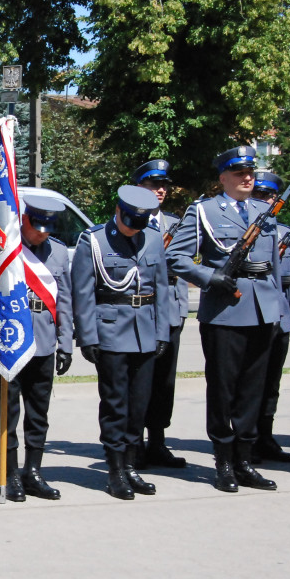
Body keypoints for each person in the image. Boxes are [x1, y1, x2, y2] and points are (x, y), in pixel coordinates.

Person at [167, 146, 282, 493]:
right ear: (223, 179)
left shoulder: (265, 210)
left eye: (250, 172)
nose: (247, 178)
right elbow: (176, 256)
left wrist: (277, 306)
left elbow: (273, 263)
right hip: (225, 310)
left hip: (262, 306)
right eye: (238, 173)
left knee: (253, 389)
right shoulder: (204, 211)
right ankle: (223, 461)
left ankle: (245, 460)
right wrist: (208, 277)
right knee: (223, 389)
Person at [72, 185, 172, 500]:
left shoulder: (153, 239)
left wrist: (162, 332)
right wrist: (87, 335)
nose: (134, 228)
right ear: (118, 211)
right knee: (116, 404)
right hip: (111, 332)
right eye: (130, 221)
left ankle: (131, 466)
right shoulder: (95, 240)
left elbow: (162, 288)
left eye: (140, 223)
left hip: (145, 331)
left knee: (139, 404)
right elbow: (83, 292)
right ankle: (115, 470)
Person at [0, 196, 74, 502]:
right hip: (11, 342)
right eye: (37, 227)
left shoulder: (59, 252)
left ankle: (33, 472)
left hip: (45, 341)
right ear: (24, 220)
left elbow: (64, 300)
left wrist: (66, 344)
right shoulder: (6, 249)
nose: (42, 234)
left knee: (39, 412)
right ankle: (10, 473)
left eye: (48, 228)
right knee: (7, 412)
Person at [133, 160, 190, 469]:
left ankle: (158, 441)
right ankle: (134, 444)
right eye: (153, 184)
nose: (161, 190)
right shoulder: (128, 221)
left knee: (165, 382)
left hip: (171, 311)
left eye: (164, 185)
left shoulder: (175, 223)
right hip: (142, 309)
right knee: (139, 380)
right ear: (138, 187)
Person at [250, 171, 290, 463]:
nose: (266, 200)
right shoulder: (245, 231)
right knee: (250, 382)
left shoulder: (284, 232)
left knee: (272, 383)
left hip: (279, 316)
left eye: (269, 196)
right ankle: (246, 439)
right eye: (260, 195)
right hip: (254, 315)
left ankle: (266, 437)